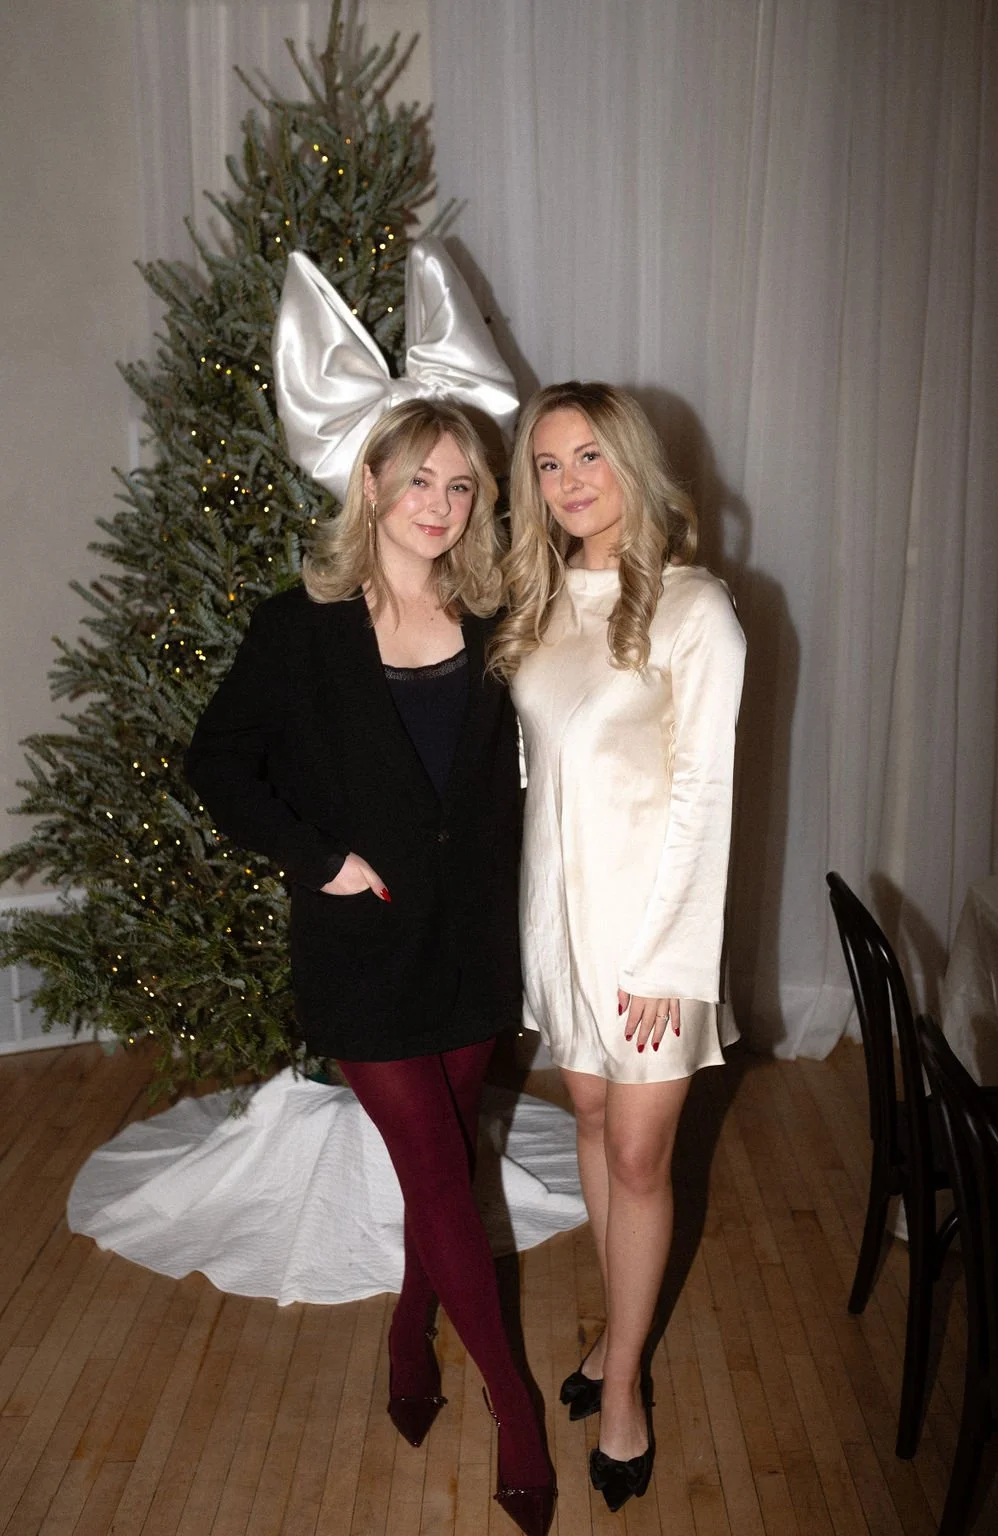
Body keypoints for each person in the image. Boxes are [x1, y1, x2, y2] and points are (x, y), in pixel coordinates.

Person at [185, 399, 555, 1536]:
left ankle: (407, 1331)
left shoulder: (498, 620)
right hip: (361, 949)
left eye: (462, 486)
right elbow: (217, 762)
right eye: (420, 480)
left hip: (473, 942)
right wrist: (319, 859)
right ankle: (516, 1408)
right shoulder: (301, 626)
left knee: (445, 1159)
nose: (440, 505)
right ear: (374, 486)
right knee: (437, 1172)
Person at [490, 381, 746, 1514]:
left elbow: (706, 798)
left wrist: (671, 964)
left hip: (652, 936)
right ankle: (613, 1331)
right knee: (592, 1126)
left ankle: (627, 1381)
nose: (568, 482)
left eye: (588, 456)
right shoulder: (542, 601)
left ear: (632, 461)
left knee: (641, 1158)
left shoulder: (697, 611)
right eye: (547, 465)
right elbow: (536, 777)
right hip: (560, 924)